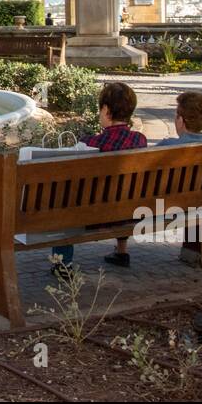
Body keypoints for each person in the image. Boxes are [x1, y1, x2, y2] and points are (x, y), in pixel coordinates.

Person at [51, 81, 147, 273]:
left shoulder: (91, 143)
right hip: (129, 212)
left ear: (105, 110)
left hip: (93, 216)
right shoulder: (140, 140)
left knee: (64, 202)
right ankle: (121, 252)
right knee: (123, 188)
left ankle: (63, 264)